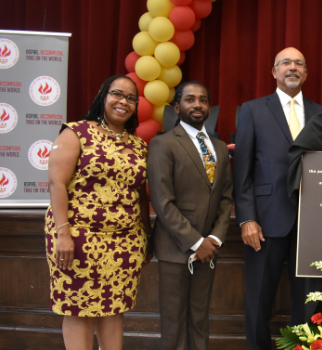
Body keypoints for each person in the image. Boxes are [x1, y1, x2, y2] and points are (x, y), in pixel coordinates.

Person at [45, 75, 151, 350]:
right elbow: (57, 182)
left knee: (114, 308)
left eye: (131, 98)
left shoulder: (138, 144)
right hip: (78, 237)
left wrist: (146, 237)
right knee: (79, 308)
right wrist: (63, 234)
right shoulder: (77, 132)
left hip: (126, 241)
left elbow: (140, 194)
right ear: (103, 97)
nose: (123, 102)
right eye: (117, 94)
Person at [233, 47, 322, 350]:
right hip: (265, 220)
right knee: (260, 299)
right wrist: (247, 218)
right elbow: (242, 170)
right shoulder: (252, 110)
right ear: (274, 72)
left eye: (300, 63)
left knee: (310, 302)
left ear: (306, 73)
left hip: (313, 223)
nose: (293, 67)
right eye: (285, 62)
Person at [148, 81, 233, 350]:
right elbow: (162, 202)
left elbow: (225, 198)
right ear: (177, 107)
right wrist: (197, 242)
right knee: (173, 321)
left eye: (203, 100)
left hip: (209, 249)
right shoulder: (163, 144)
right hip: (177, 248)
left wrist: (215, 239)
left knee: (199, 318)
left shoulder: (219, 147)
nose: (197, 104)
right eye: (190, 99)